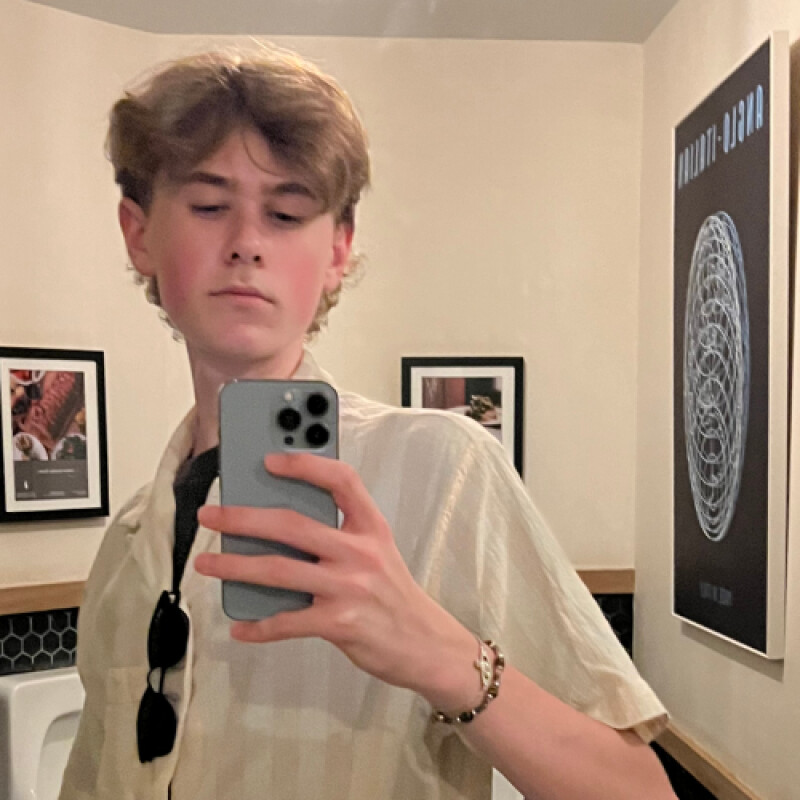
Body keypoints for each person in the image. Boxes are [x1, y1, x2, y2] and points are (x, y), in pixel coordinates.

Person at [60, 45, 676, 800]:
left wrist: (443, 657)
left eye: (287, 213)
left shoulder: (442, 470)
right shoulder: (126, 548)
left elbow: (641, 790)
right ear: (138, 233)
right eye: (210, 205)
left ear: (337, 250)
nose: (247, 241)